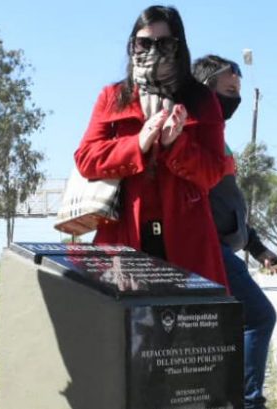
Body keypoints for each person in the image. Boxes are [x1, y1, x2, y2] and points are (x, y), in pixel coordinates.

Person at [74, 5, 229, 289]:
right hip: (123, 237)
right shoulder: (113, 96)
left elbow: (213, 173)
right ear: (132, 45)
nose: (153, 51)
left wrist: (175, 144)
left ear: (178, 47)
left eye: (164, 43)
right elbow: (86, 158)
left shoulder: (202, 99)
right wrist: (138, 143)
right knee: (121, 331)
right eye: (144, 42)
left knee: (188, 329)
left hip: (187, 243)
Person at [192, 54, 277, 409]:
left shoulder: (217, 138)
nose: (234, 99)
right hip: (206, 250)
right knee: (257, 317)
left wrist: (260, 249)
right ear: (206, 91)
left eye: (238, 91)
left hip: (224, 249)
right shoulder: (194, 134)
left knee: (224, 332)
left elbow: (228, 207)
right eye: (229, 91)